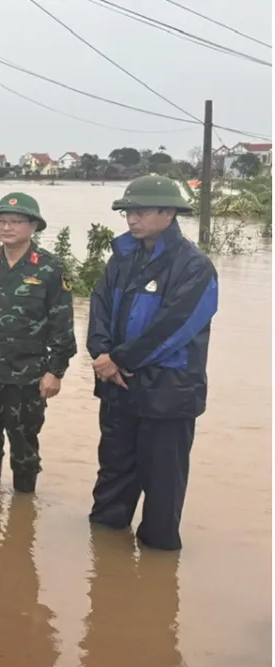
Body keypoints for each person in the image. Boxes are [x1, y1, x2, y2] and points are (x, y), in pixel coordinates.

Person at [86, 175, 218, 551]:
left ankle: (159, 568)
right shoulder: (122, 259)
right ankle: (105, 562)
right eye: (128, 211)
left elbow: (174, 327)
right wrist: (101, 353)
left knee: (163, 484)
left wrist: (119, 358)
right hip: (118, 389)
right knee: (113, 475)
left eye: (140, 212)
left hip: (168, 393)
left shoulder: (195, 267)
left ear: (169, 213)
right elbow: (99, 308)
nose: (131, 219)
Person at [0, 192, 76, 493]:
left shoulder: (49, 269)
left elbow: (63, 326)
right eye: (1, 221)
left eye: (15, 221)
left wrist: (55, 371)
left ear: (33, 226)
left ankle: (24, 516)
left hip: (27, 377)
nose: (6, 227)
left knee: (24, 449)